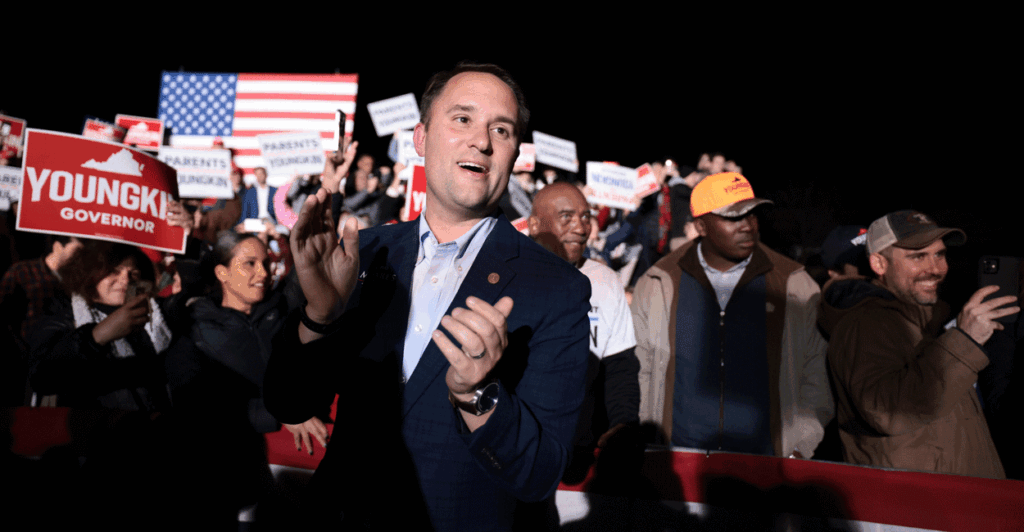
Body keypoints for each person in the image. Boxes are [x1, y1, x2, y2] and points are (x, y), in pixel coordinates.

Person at [263, 62, 591, 530]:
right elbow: (289, 403)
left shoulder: (558, 288)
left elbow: (538, 475)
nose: (481, 140)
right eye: (462, 119)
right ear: (421, 138)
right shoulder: (363, 251)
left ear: (515, 153)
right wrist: (320, 314)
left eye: (500, 129)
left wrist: (478, 395)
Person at [631, 172, 832, 458]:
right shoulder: (658, 282)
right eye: (734, 217)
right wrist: (647, 438)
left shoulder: (793, 284)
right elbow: (640, 368)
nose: (748, 226)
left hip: (767, 463)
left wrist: (800, 444)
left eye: (752, 215)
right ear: (701, 226)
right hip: (679, 459)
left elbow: (815, 372)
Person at [818, 210, 1016, 478]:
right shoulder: (866, 323)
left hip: (954, 500)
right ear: (879, 264)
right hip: (917, 506)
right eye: (917, 256)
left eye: (940, 254)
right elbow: (887, 410)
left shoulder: (923, 318)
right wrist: (965, 341)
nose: (935, 269)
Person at [164, 231, 317, 524]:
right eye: (249, 263)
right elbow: (196, 409)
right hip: (226, 481)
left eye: (266, 262)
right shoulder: (193, 334)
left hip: (294, 473)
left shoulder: (283, 309)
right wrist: (281, 412)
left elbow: (305, 262)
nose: (263, 272)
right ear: (221, 272)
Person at [529, 182, 639, 449]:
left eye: (586, 217)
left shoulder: (605, 280)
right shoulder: (506, 275)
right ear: (534, 225)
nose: (580, 228)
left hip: (583, 448)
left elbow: (620, 366)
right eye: (566, 217)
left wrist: (621, 423)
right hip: (517, 448)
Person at [29, 241, 172, 411]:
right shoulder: (61, 318)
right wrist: (97, 336)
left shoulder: (156, 316)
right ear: (89, 275)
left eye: (133, 273)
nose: (125, 280)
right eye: (113, 271)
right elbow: (42, 377)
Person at [0, 235, 81, 404]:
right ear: (58, 246)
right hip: (19, 359)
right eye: (76, 252)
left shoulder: (78, 281)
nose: (80, 259)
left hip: (58, 363)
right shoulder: (22, 271)